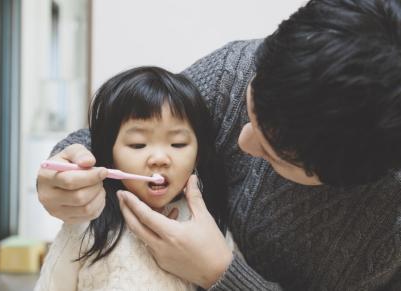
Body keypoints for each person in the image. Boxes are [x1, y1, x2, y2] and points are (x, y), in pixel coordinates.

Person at [37, 0, 401, 290]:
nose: (241, 140)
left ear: (344, 177)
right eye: (250, 105)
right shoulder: (239, 67)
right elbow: (132, 121)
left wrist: (221, 274)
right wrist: (66, 165)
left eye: (274, 153)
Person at [35, 66, 233, 290]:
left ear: (198, 156)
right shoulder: (84, 227)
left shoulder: (211, 230)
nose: (159, 158)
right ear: (110, 158)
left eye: (178, 143)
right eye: (138, 144)